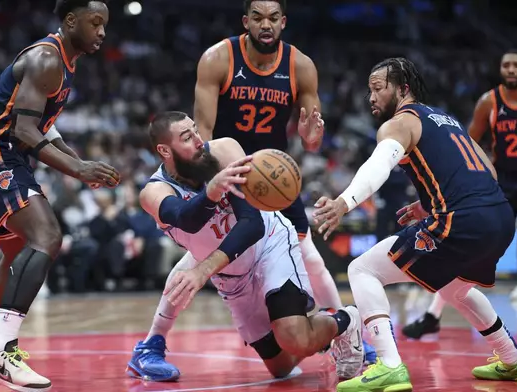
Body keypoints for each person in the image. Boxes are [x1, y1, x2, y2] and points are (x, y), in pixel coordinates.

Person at [127, 0, 375, 380]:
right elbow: (204, 132)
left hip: (270, 177)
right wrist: (210, 182)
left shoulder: (300, 65)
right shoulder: (218, 59)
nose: (265, 24)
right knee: (197, 255)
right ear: (245, 21)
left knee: (306, 253)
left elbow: (309, 138)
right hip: (227, 164)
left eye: (273, 17)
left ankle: (345, 328)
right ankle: (152, 343)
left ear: (284, 22)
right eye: (257, 17)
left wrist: (311, 140)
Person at [312, 58, 517, 392]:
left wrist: (344, 202)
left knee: (363, 270)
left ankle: (388, 364)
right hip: (499, 217)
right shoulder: (446, 118)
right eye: (369, 91)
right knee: (454, 287)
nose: (371, 98)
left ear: (402, 88)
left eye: (378, 88)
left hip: (462, 221)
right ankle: (513, 357)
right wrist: (429, 203)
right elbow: (487, 172)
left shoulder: (401, 122)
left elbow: (379, 166)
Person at [0, 1, 119, 390]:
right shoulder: (47, 58)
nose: (102, 32)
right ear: (70, 20)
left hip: (0, 152)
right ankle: (0, 351)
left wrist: (77, 162)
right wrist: (77, 170)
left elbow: (44, 124)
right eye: (95, 23)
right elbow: (25, 131)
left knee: (15, 253)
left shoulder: (65, 61)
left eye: (105, 25)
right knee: (47, 237)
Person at [127, 111, 365, 381]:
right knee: (281, 367)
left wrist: (203, 270)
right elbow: (186, 220)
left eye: (195, 130)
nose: (198, 140)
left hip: (269, 245)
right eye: (186, 137)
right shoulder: (153, 193)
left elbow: (252, 224)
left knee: (293, 336)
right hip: (231, 275)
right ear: (164, 150)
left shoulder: (224, 150)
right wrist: (212, 192)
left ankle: (345, 321)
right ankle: (321, 331)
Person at [402, 49, 517, 339]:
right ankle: (432, 315)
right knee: (467, 249)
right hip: (499, 180)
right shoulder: (489, 102)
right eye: (506, 65)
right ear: (501, 70)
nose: (511, 70)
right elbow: (463, 142)